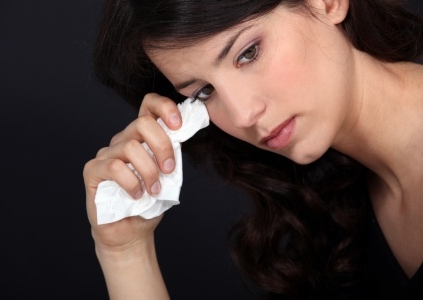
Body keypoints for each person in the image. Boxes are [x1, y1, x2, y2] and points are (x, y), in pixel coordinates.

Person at [83, 0, 423, 298]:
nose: (242, 114)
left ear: (327, 2)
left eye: (249, 53)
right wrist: (125, 253)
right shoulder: (330, 224)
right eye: (203, 92)